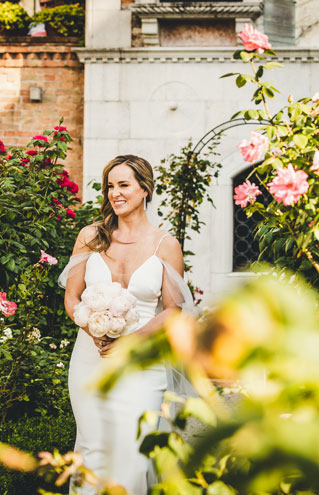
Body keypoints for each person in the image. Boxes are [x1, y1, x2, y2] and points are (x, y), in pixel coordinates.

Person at [58, 155, 192, 494]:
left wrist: (128, 337)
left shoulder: (166, 245)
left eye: (123, 185)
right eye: (110, 186)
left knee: (133, 453)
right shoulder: (91, 236)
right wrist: (93, 326)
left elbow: (173, 309)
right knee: (92, 450)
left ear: (144, 189)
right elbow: (72, 298)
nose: (114, 193)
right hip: (90, 359)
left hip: (142, 363)